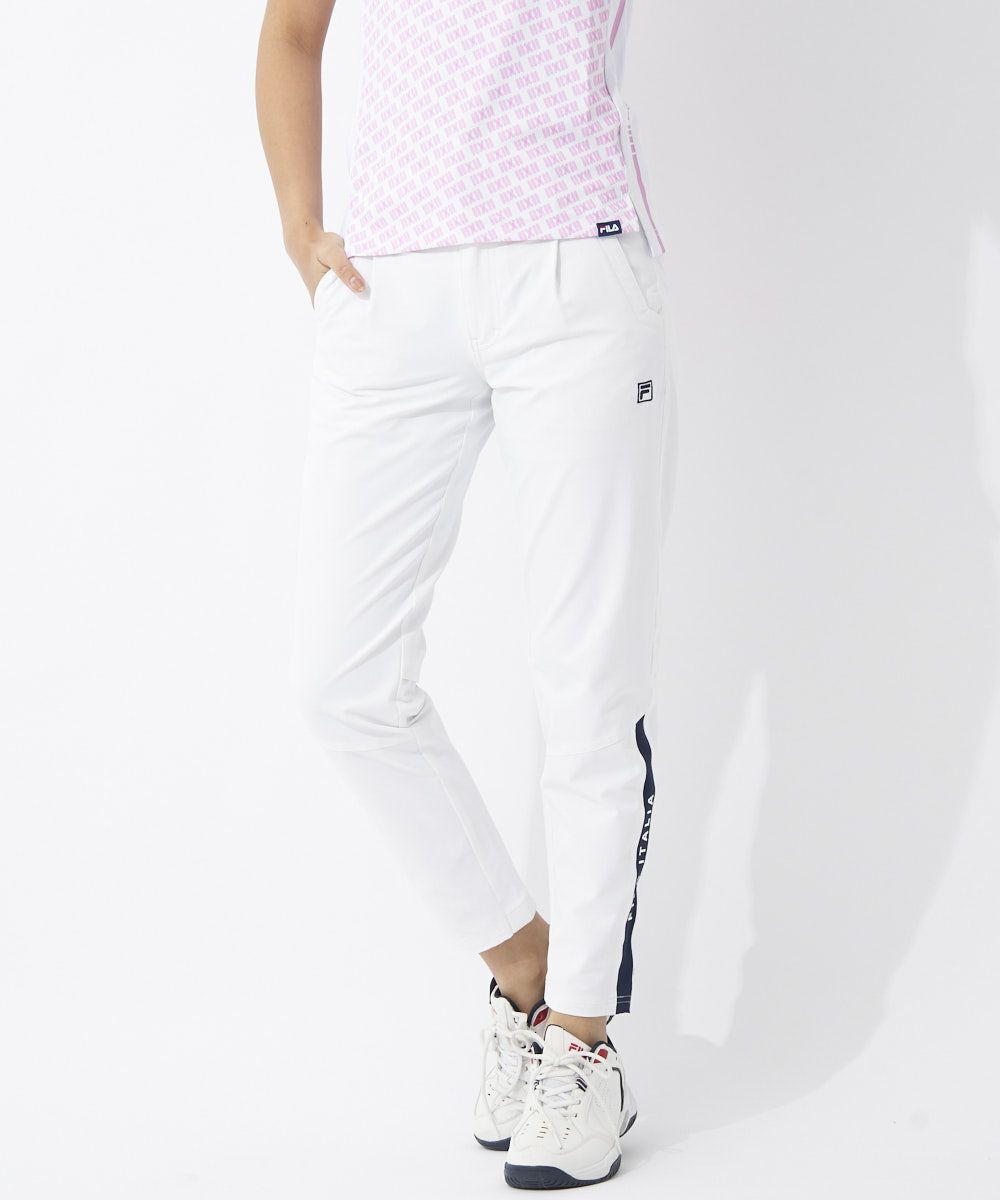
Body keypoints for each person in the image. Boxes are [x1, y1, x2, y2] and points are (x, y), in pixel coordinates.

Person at [256, 0, 672, 1188]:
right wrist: (299, 224)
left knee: (586, 684)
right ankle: (531, 970)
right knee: (340, 682)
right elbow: (292, 31)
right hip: (389, 287)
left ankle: (583, 1044)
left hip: (571, 259)